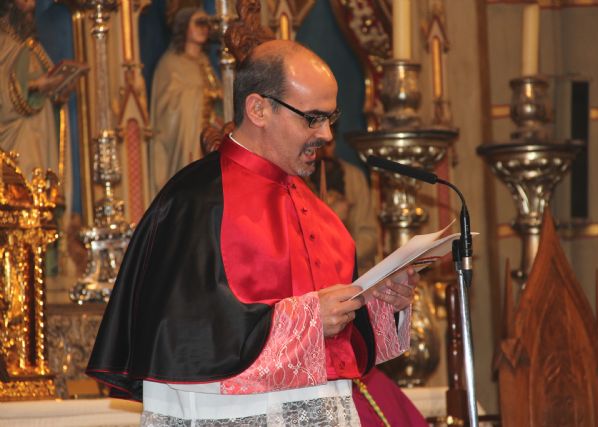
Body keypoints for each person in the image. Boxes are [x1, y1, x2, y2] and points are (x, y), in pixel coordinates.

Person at [87, 40, 419, 426]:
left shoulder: (318, 211)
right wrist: (311, 320)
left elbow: (338, 346)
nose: (327, 135)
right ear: (258, 109)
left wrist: (381, 302)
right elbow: (187, 343)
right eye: (312, 118)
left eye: (331, 117)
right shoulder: (194, 201)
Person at [148, 7, 224, 196]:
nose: (204, 28)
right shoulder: (170, 64)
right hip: (185, 142)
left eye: (207, 23)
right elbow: (167, 110)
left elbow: (219, 101)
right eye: (198, 23)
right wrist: (201, 96)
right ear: (184, 27)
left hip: (211, 138)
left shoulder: (205, 62)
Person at [0, 0, 67, 179]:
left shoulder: (31, 48)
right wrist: (36, 86)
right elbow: (4, 99)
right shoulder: (3, 44)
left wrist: (59, 88)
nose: (32, 5)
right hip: (16, 146)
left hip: (40, 145)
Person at [308, 138, 378, 275]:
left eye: (328, 144)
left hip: (353, 272)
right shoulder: (299, 178)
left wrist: (342, 259)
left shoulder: (354, 177)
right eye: (318, 144)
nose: (323, 151)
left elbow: (368, 235)